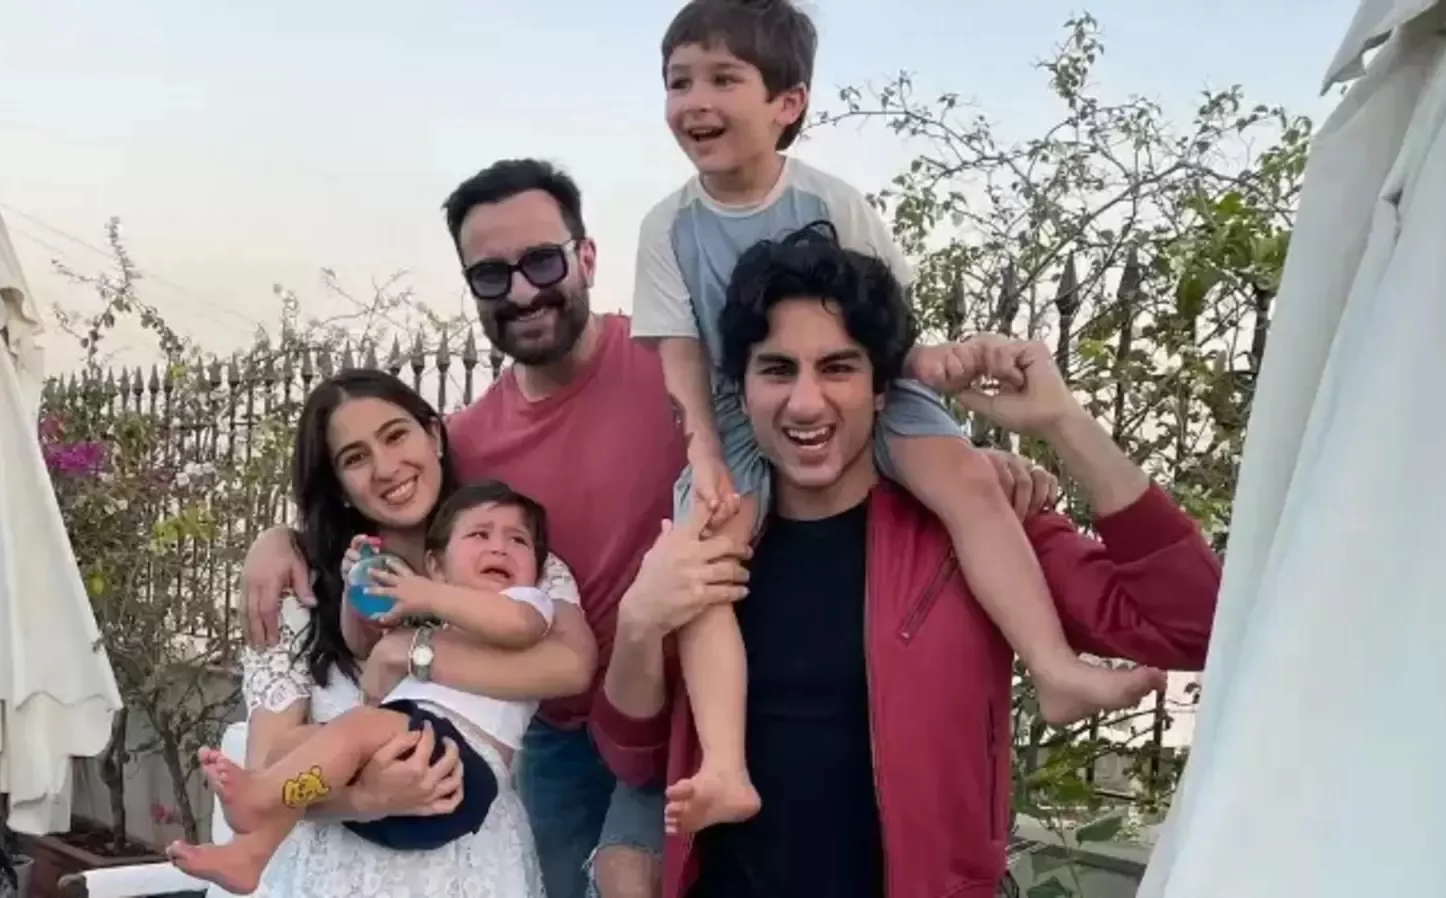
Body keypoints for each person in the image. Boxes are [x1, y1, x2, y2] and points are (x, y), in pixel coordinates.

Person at [239, 160, 1064, 898]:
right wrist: (279, 545)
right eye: (491, 274)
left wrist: (964, 461)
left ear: (587, 257)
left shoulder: (679, 368)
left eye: (542, 261)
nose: (521, 290)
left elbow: (814, 411)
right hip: (555, 735)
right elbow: (385, 490)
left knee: (645, 874)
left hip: (688, 709)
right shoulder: (468, 443)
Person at [631, 0, 1165, 833]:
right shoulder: (668, 226)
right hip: (742, 409)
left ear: (787, 103)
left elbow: (884, 331)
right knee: (705, 563)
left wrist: (935, 366)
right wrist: (702, 454)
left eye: (722, 80)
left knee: (966, 480)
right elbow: (681, 359)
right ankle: (726, 766)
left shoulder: (831, 200)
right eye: (678, 82)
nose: (695, 101)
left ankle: (1053, 667)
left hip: (866, 379)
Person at [593, 227, 1223, 898]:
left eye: (838, 368)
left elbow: (1194, 626)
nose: (805, 402)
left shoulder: (978, 530)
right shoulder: (708, 536)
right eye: (777, 370)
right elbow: (634, 755)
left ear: (882, 388)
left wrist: (1066, 424)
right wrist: (639, 622)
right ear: (741, 393)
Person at [220, 369, 598, 898]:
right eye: (355, 458)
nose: (386, 467)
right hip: (326, 875)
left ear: (435, 436)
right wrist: (364, 800)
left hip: (469, 867)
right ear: (339, 486)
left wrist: (412, 651)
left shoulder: (510, 562)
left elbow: (571, 665)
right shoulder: (297, 585)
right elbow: (269, 766)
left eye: (396, 435)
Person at [168, 480, 561, 894]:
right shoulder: (438, 622)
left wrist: (428, 594)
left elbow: (519, 625)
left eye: (518, 540)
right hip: (409, 765)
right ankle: (254, 852)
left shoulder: (526, 603)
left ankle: (261, 796)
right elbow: (364, 652)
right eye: (480, 535)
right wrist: (359, 585)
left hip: (463, 768)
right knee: (298, 748)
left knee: (358, 727)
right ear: (437, 564)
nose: (499, 547)